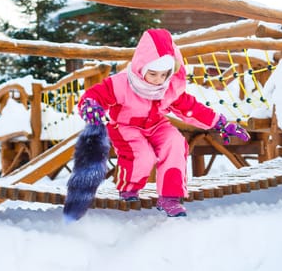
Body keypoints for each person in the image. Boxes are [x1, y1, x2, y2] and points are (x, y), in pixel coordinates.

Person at [78, 28, 250, 217]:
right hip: (125, 126)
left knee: (175, 142)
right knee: (143, 156)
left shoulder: (167, 87)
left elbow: (191, 108)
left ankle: (170, 197)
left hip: (156, 125)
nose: (158, 80)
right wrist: (91, 105)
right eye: (153, 74)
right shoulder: (122, 83)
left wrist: (220, 123)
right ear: (141, 67)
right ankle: (129, 189)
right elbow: (97, 94)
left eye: (164, 74)